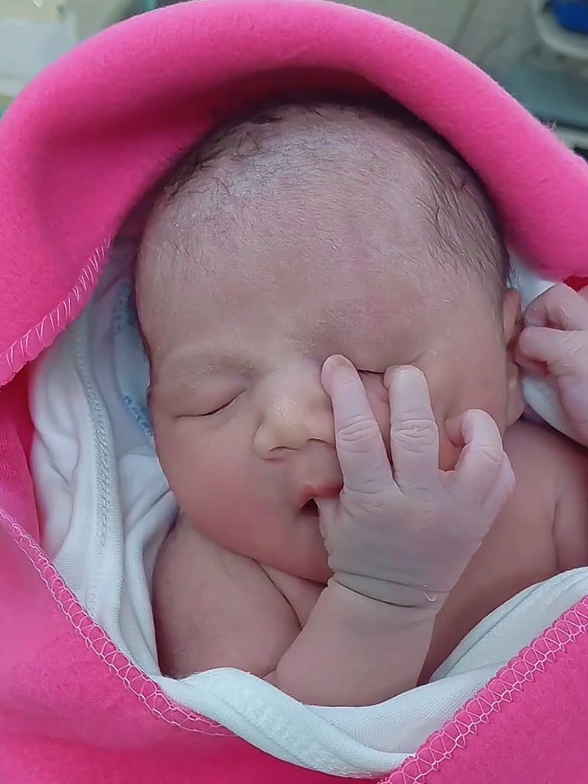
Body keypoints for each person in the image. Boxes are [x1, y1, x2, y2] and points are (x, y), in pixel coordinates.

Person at [117, 96, 588, 706]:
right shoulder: (224, 573)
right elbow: (254, 755)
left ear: (505, 357)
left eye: (369, 363)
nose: (287, 423)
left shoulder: (543, 476)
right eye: (214, 400)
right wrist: (383, 596)